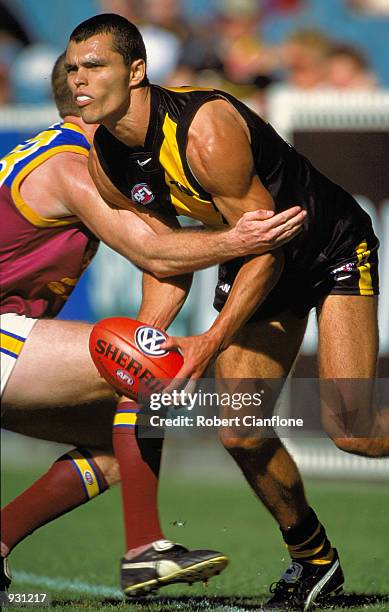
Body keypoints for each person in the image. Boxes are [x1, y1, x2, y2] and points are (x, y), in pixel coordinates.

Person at [64, 13, 388, 611]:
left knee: (355, 429)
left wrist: (205, 344)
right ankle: (315, 562)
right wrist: (147, 343)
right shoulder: (107, 160)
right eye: (73, 67)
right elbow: (166, 260)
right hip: (252, 253)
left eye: (95, 65)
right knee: (238, 427)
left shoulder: (203, 131)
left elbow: (265, 246)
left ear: (136, 71)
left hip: (326, 246)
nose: (78, 79)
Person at [0, 53, 304, 597]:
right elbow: (158, 255)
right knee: (147, 362)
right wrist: (239, 241)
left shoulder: (71, 155)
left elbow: (164, 264)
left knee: (117, 444)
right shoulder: (71, 164)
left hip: (10, 340)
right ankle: (145, 551)